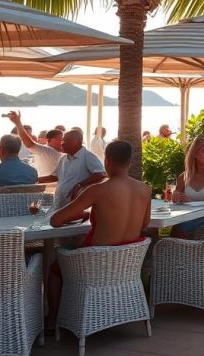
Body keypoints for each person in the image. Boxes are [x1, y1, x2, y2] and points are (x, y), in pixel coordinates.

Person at [47, 140, 151, 327]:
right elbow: (144, 224)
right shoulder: (144, 189)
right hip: (127, 263)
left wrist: (82, 212)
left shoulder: (98, 190)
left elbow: (55, 221)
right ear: (129, 162)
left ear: (107, 162)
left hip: (95, 263)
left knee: (54, 268)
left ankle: (53, 320)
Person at [52, 128, 107, 208]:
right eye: (62, 141)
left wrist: (79, 185)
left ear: (76, 141)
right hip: (59, 204)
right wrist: (35, 179)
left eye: (65, 141)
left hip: (75, 207)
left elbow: (101, 174)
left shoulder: (87, 156)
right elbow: (55, 176)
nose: (62, 144)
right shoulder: (63, 158)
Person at [6, 111, 63, 183]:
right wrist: (18, 123)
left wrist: (18, 123)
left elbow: (29, 143)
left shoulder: (54, 152)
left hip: (42, 184)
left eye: (63, 139)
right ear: (49, 140)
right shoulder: (48, 150)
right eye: (59, 139)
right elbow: (29, 143)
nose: (62, 142)